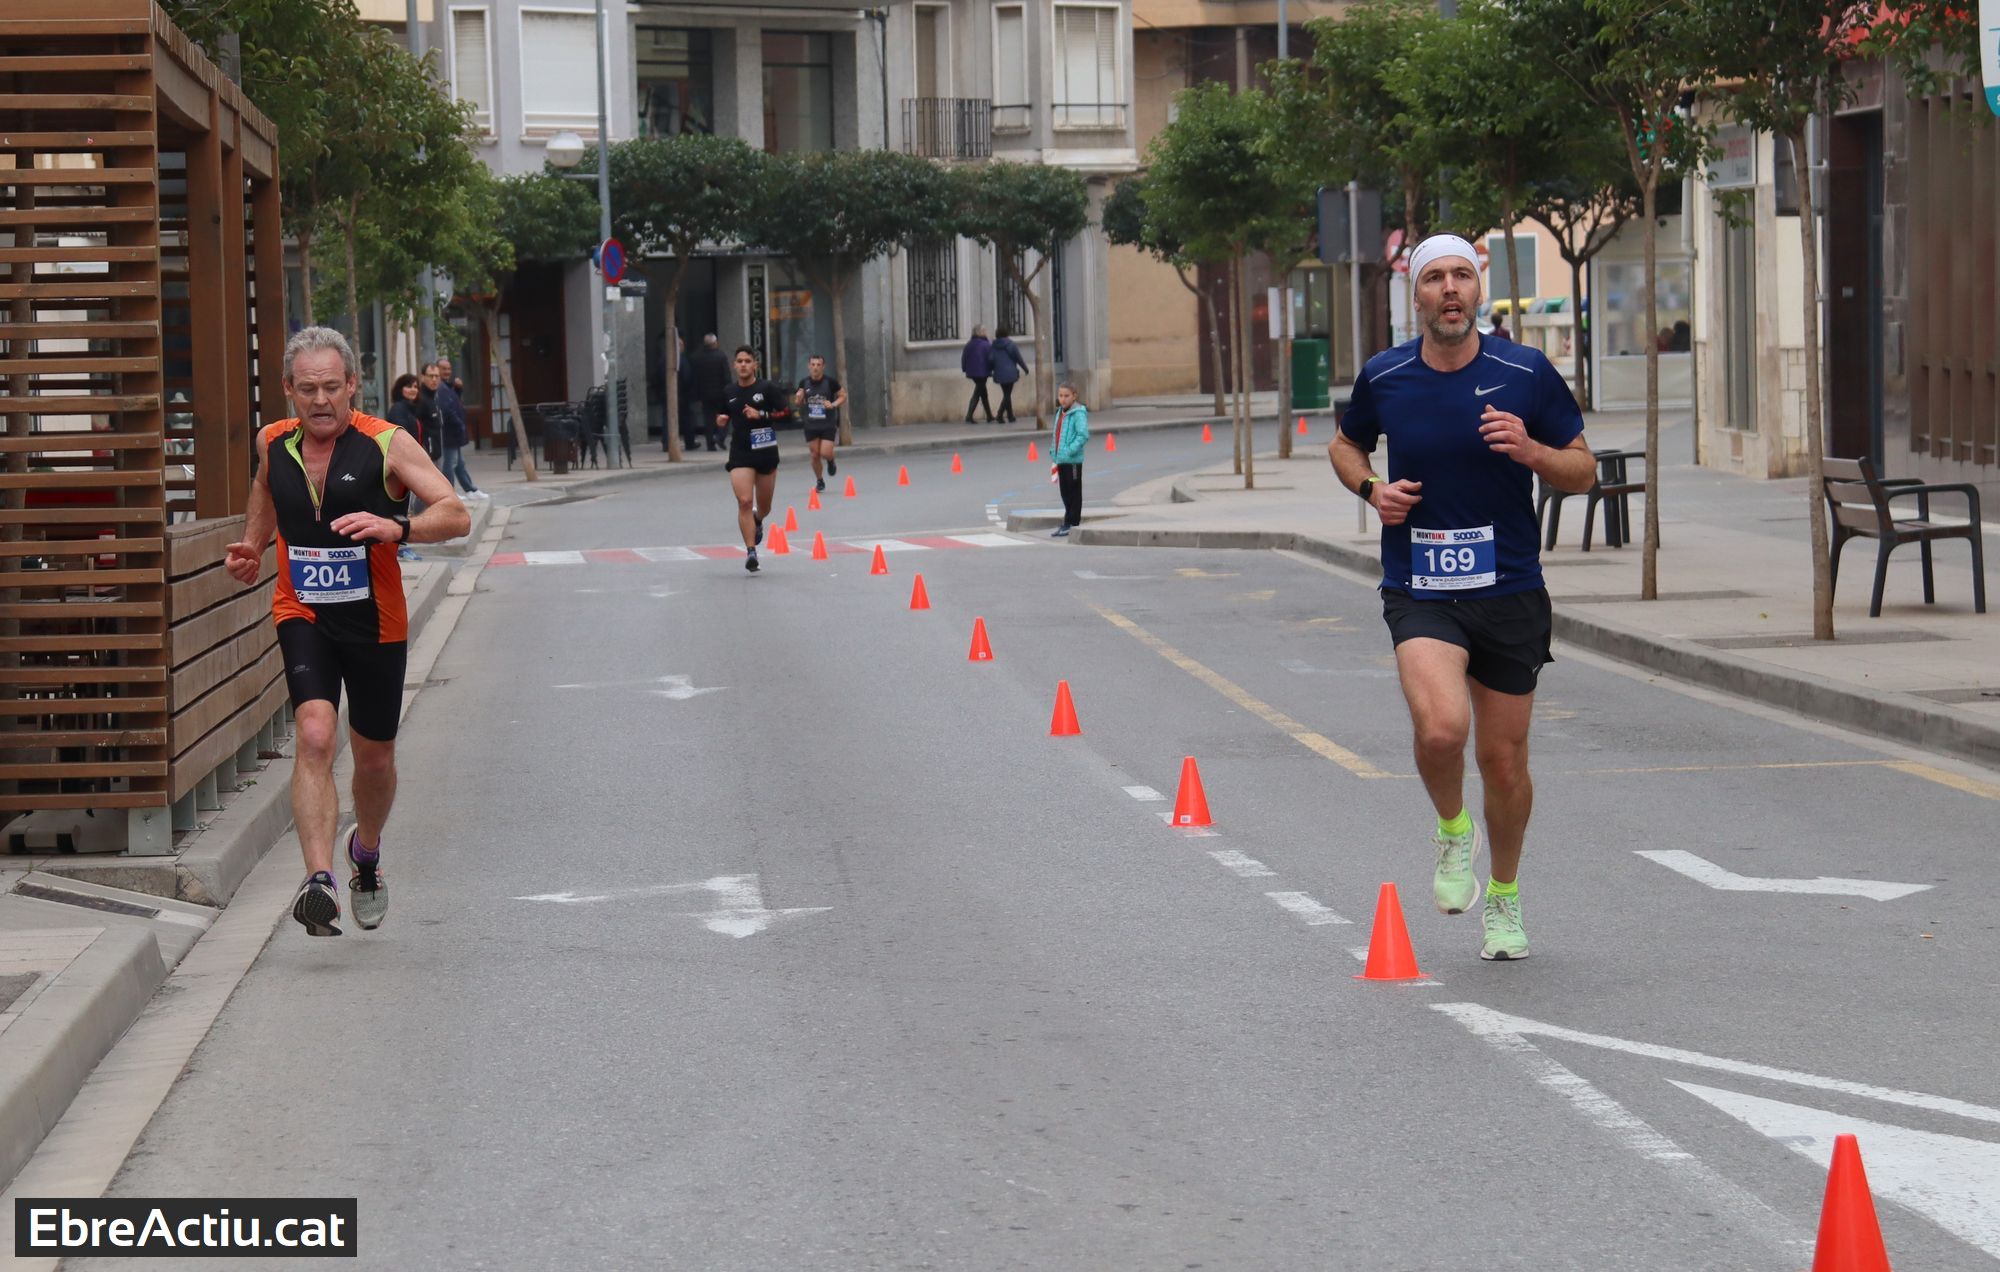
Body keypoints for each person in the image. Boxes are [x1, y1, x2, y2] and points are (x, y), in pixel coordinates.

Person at [1328, 233, 1596, 962]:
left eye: (1461, 276)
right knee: (1443, 730)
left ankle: (1504, 897)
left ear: (1479, 289)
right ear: (1416, 295)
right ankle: (1453, 830)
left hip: (1509, 588)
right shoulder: (1386, 375)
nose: (1449, 289)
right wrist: (1371, 489)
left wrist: (1532, 451)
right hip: (1421, 587)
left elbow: (1583, 470)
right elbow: (1346, 445)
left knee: (1503, 762)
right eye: (1434, 278)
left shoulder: (1525, 371)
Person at [224, 327, 469, 937]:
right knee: (313, 733)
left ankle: (366, 852)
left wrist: (399, 529)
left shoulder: (387, 443)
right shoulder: (273, 442)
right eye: (307, 388)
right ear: (288, 389)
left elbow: (456, 513)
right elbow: (265, 487)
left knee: (374, 759)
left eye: (332, 387)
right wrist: (253, 543)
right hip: (303, 611)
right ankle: (319, 880)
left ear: (352, 385)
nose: (320, 400)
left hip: (375, 622)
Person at [718, 346, 787, 573]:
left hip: (765, 451)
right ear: (734, 365)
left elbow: (786, 413)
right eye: (739, 361)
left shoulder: (767, 388)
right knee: (745, 501)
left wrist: (762, 415)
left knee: (764, 506)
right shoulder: (729, 391)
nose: (743, 365)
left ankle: (758, 519)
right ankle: (751, 552)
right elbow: (723, 413)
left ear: (755, 365)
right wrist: (721, 420)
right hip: (741, 452)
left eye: (748, 361)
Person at [793, 354, 847, 493]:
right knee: (814, 455)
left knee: (825, 452)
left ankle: (830, 460)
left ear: (823, 367)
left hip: (827, 423)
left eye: (818, 365)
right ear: (809, 366)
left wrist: (833, 404)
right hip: (810, 424)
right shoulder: (803, 383)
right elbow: (798, 403)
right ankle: (820, 480)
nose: (815, 367)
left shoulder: (830, 382)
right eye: (813, 364)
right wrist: (798, 398)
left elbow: (843, 396)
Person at [433, 355, 483, 499]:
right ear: (437, 370)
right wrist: (459, 423)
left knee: (459, 463)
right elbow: (446, 410)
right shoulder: (440, 388)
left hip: (454, 433)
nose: (447, 371)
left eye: (449, 368)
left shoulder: (447, 386)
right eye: (443, 369)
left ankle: (470, 489)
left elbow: (455, 402)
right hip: (448, 433)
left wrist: (458, 389)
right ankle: (450, 492)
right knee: (450, 463)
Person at [1050, 381, 1089, 537]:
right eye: (1060, 395)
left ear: (1074, 396)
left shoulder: (1078, 413)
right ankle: (1067, 522)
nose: (1063, 399)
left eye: (1066, 396)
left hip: (1072, 460)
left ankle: (1073, 522)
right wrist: (1054, 452)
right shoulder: (1060, 412)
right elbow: (1057, 434)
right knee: (1065, 493)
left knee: (1073, 493)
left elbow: (1083, 435)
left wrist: (1070, 450)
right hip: (1061, 459)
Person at [691, 334, 733, 452]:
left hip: (705, 395)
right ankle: (720, 436)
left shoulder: (699, 358)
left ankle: (710, 444)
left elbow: (696, 378)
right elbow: (726, 376)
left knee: (708, 419)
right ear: (715, 343)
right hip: (720, 394)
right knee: (725, 415)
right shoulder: (721, 356)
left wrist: (698, 395)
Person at [991, 328, 1028, 424]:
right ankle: (1000, 414)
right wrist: (1025, 368)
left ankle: (1010, 415)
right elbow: (1018, 358)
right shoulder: (1011, 344)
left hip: (999, 372)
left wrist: (992, 369)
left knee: (1006, 394)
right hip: (1010, 372)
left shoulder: (993, 346)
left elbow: (990, 359)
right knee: (1007, 394)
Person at [961, 326, 994, 423]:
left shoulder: (969, 344)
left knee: (983, 393)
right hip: (982, 372)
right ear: (982, 332)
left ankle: (989, 415)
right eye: (985, 331)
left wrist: (964, 368)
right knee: (977, 393)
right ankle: (969, 415)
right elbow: (991, 358)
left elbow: (964, 357)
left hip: (972, 372)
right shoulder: (986, 344)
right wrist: (992, 368)